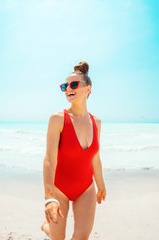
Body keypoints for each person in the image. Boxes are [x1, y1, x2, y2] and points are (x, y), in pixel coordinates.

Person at [41, 61, 106, 240]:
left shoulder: (97, 122)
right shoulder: (57, 119)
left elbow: (95, 157)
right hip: (59, 187)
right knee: (57, 238)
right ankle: (46, 228)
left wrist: (100, 183)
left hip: (85, 188)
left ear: (88, 89)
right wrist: (49, 198)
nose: (68, 88)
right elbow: (49, 160)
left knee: (81, 237)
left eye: (74, 84)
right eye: (65, 86)